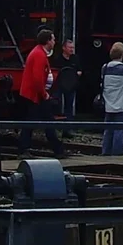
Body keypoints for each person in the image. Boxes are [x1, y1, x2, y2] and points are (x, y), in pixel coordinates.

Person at [16, 29, 62, 157]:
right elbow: (37, 78)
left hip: (36, 94)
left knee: (39, 121)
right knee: (39, 122)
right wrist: (44, 94)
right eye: (53, 39)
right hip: (36, 95)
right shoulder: (39, 55)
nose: (54, 41)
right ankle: (57, 149)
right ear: (48, 41)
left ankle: (57, 149)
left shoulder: (39, 53)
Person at [53, 39, 81, 138]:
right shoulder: (58, 59)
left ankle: (68, 129)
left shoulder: (75, 58)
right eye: (70, 47)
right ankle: (56, 127)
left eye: (73, 47)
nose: (72, 49)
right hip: (59, 86)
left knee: (69, 107)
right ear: (64, 48)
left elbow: (79, 70)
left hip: (71, 86)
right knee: (57, 105)